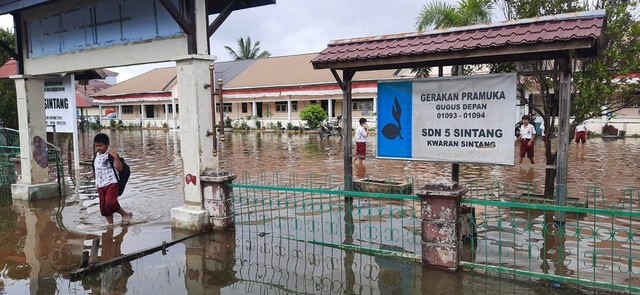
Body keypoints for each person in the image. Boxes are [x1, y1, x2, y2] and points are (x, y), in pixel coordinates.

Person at [93, 133, 132, 226]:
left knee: (110, 203)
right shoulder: (96, 156)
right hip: (100, 185)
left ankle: (125, 215)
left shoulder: (111, 155)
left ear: (107, 145)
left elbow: (120, 169)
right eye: (96, 145)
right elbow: (95, 170)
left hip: (112, 183)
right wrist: (96, 183)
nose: (98, 148)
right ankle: (110, 225)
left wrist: (115, 157)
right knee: (104, 208)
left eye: (101, 145)